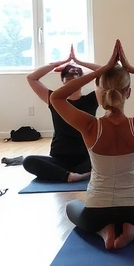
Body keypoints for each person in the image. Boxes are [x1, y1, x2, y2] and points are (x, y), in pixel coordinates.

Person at [50, 40, 134, 250]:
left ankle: (104, 231)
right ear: (128, 92)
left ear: (99, 95)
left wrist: (100, 71)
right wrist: (133, 70)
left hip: (97, 212)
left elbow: (57, 97)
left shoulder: (89, 126)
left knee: (72, 206)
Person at [23, 45, 101, 183]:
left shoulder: (92, 99)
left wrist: (80, 62)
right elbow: (32, 78)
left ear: (82, 81)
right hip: (59, 158)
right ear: (63, 82)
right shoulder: (54, 99)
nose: (72, 85)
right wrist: (58, 64)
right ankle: (69, 176)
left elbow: (108, 73)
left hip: (85, 157)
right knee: (28, 161)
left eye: (76, 81)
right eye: (68, 81)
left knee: (102, 158)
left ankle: (67, 174)